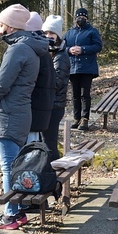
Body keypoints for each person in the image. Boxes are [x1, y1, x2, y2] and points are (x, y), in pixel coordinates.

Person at [0, 3, 46, 230]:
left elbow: (1, 84)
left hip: (9, 114)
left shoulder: (18, 50)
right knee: (16, 166)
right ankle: (18, 212)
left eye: (1, 25)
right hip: (21, 112)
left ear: (10, 27)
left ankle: (10, 214)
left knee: (9, 167)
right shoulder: (32, 48)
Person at [62, 7, 102, 131]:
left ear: (87, 18)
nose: (81, 19)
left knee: (85, 94)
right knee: (75, 95)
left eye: (83, 17)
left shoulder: (92, 31)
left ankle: (85, 119)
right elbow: (62, 46)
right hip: (73, 68)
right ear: (75, 18)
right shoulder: (69, 32)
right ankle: (76, 118)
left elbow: (98, 46)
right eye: (79, 17)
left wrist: (83, 49)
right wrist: (69, 50)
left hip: (87, 67)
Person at [41, 14, 70, 160]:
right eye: (45, 33)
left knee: (49, 143)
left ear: (58, 36)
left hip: (55, 106)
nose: (48, 36)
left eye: (52, 33)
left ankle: (54, 176)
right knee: (44, 143)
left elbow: (56, 83)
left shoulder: (61, 56)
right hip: (47, 105)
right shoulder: (47, 53)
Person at [26, 12, 55, 144]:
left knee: (29, 153)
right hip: (40, 110)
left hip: (34, 110)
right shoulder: (43, 49)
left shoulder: (35, 50)